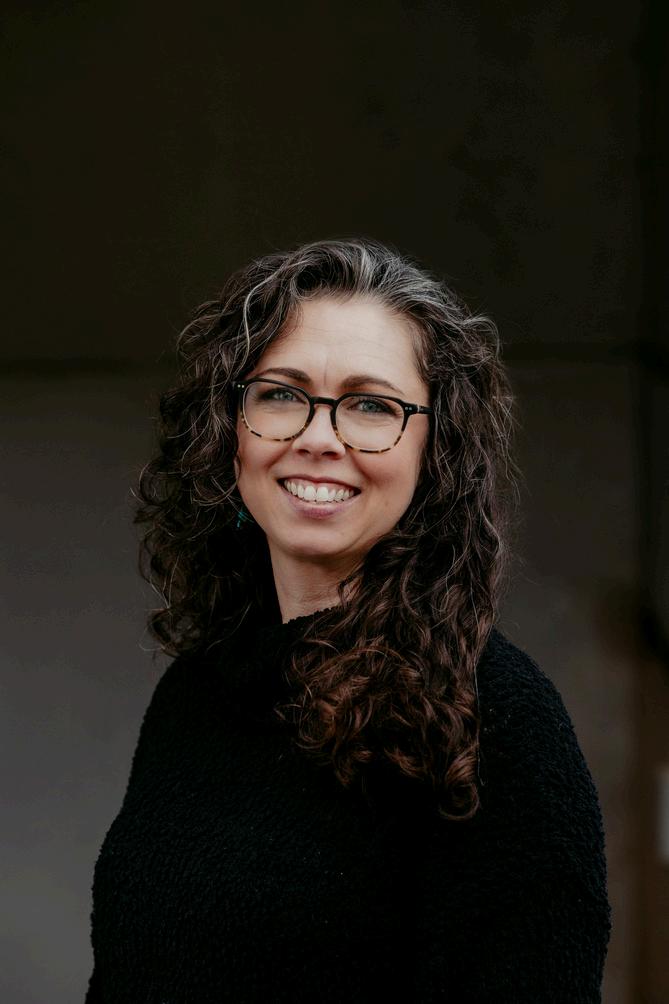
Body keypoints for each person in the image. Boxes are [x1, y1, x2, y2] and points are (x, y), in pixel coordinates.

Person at [85, 237, 612, 1002]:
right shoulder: (198, 695)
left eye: (371, 406)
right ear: (229, 430)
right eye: (280, 394)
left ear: (435, 452)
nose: (317, 438)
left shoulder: (496, 719)